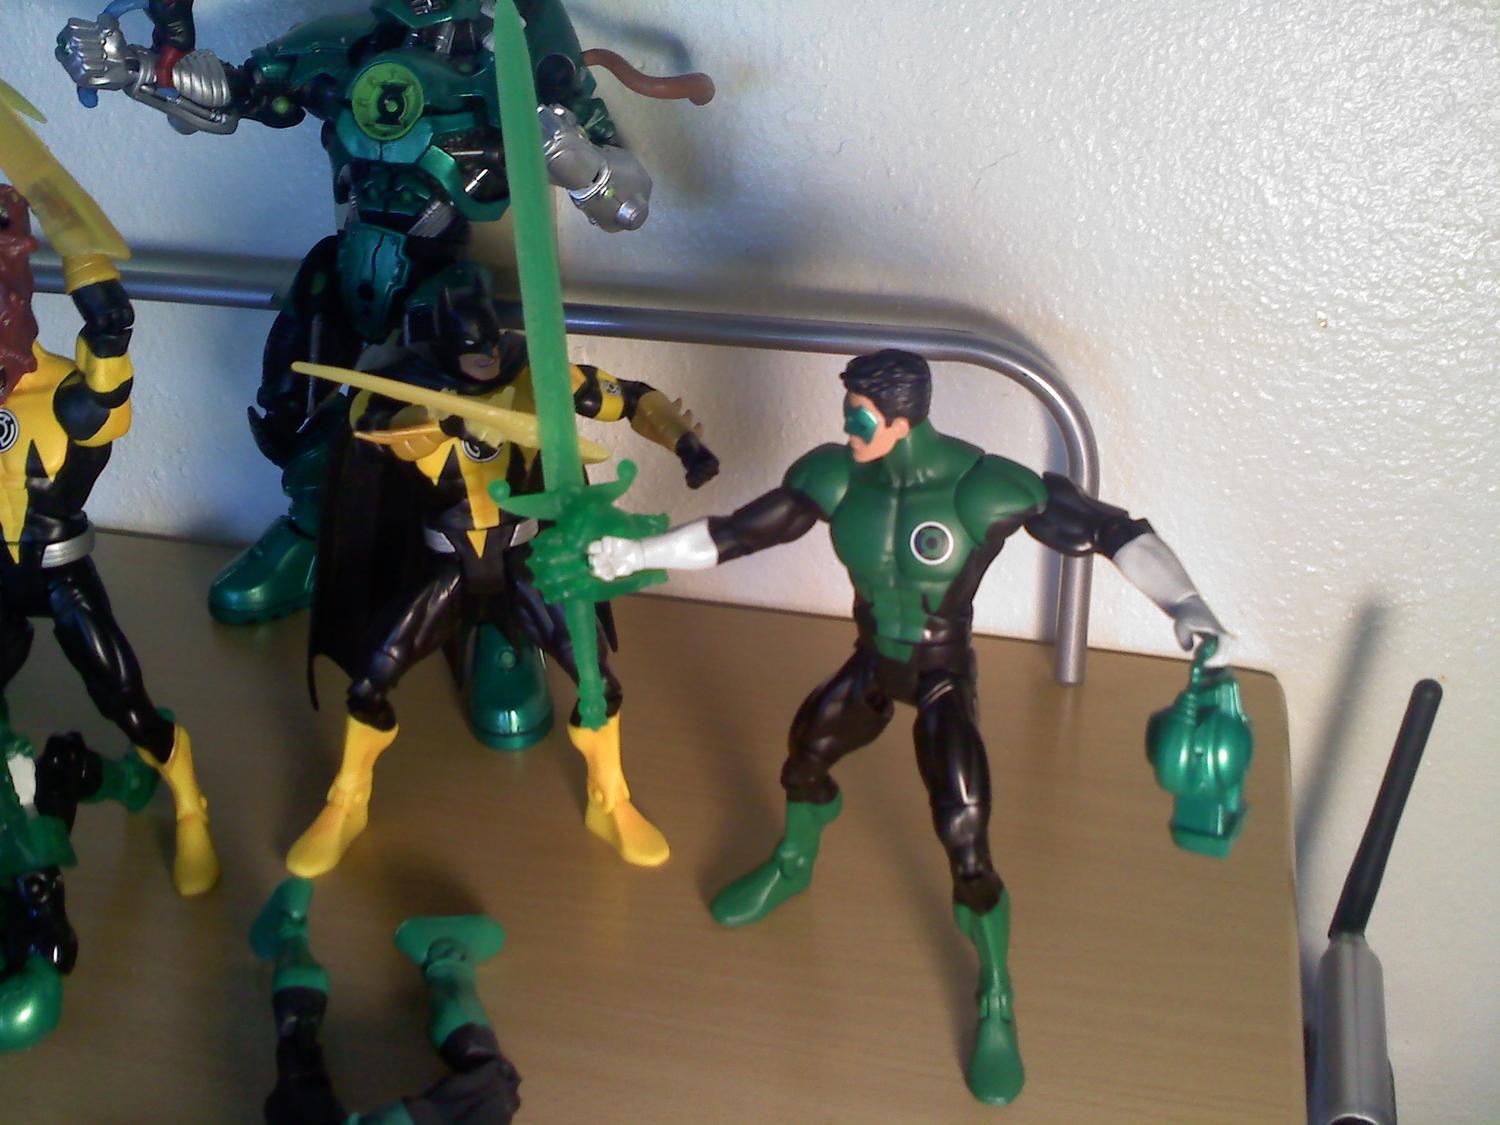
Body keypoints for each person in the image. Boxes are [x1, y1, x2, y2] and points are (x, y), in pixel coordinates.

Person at [585, 349, 1234, 1104]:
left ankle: (996, 992)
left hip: (941, 674)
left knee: (964, 832)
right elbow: (736, 533)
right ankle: (793, 863)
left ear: (903, 418)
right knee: (805, 751)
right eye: (847, 414)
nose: (848, 429)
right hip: (872, 660)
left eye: (860, 417)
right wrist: (638, 554)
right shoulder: (837, 477)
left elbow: (1108, 528)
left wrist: (1187, 605)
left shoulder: (981, 487)